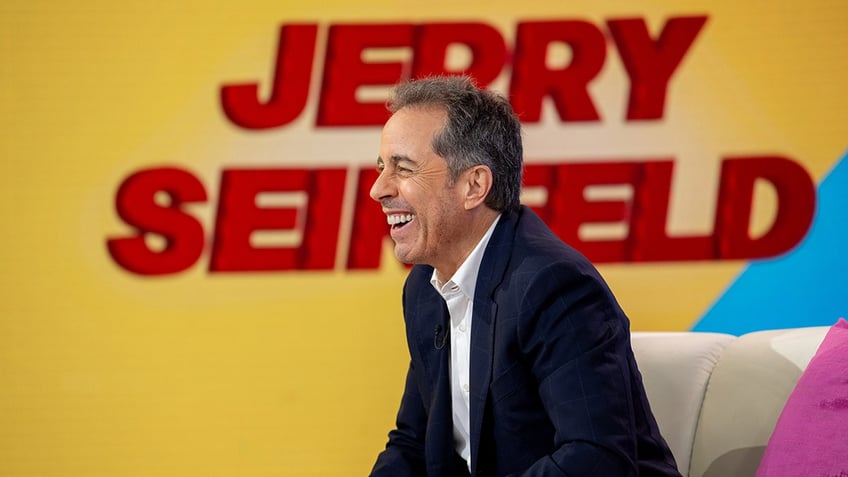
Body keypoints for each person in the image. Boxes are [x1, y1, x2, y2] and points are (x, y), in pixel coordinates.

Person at [368, 75, 681, 477]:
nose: (378, 189)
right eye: (381, 168)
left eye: (403, 168)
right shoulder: (424, 289)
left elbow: (596, 458)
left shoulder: (553, 286)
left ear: (474, 185)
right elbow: (413, 443)